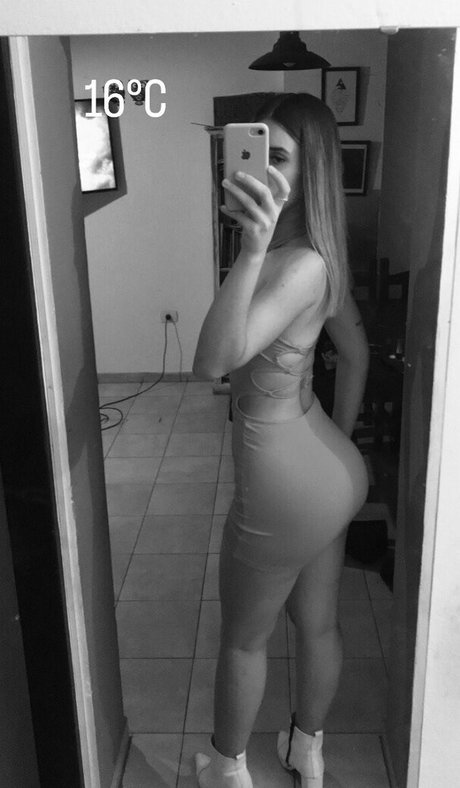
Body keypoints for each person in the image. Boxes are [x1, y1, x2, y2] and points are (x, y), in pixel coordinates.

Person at [192, 93, 369, 788]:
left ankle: (227, 770)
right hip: (323, 463)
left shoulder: (296, 265)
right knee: (316, 624)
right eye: (258, 147)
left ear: (311, 170)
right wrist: (334, 452)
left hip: (283, 480)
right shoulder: (319, 257)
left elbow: (212, 363)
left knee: (243, 639)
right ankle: (306, 752)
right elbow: (354, 352)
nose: (263, 166)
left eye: (282, 156)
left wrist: (250, 249)